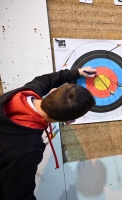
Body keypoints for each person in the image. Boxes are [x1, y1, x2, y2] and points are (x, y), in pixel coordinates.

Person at [0, 66, 97, 200]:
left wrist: (77, 72)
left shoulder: (22, 94)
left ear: (52, 92)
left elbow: (45, 80)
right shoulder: (28, 148)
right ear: (69, 121)